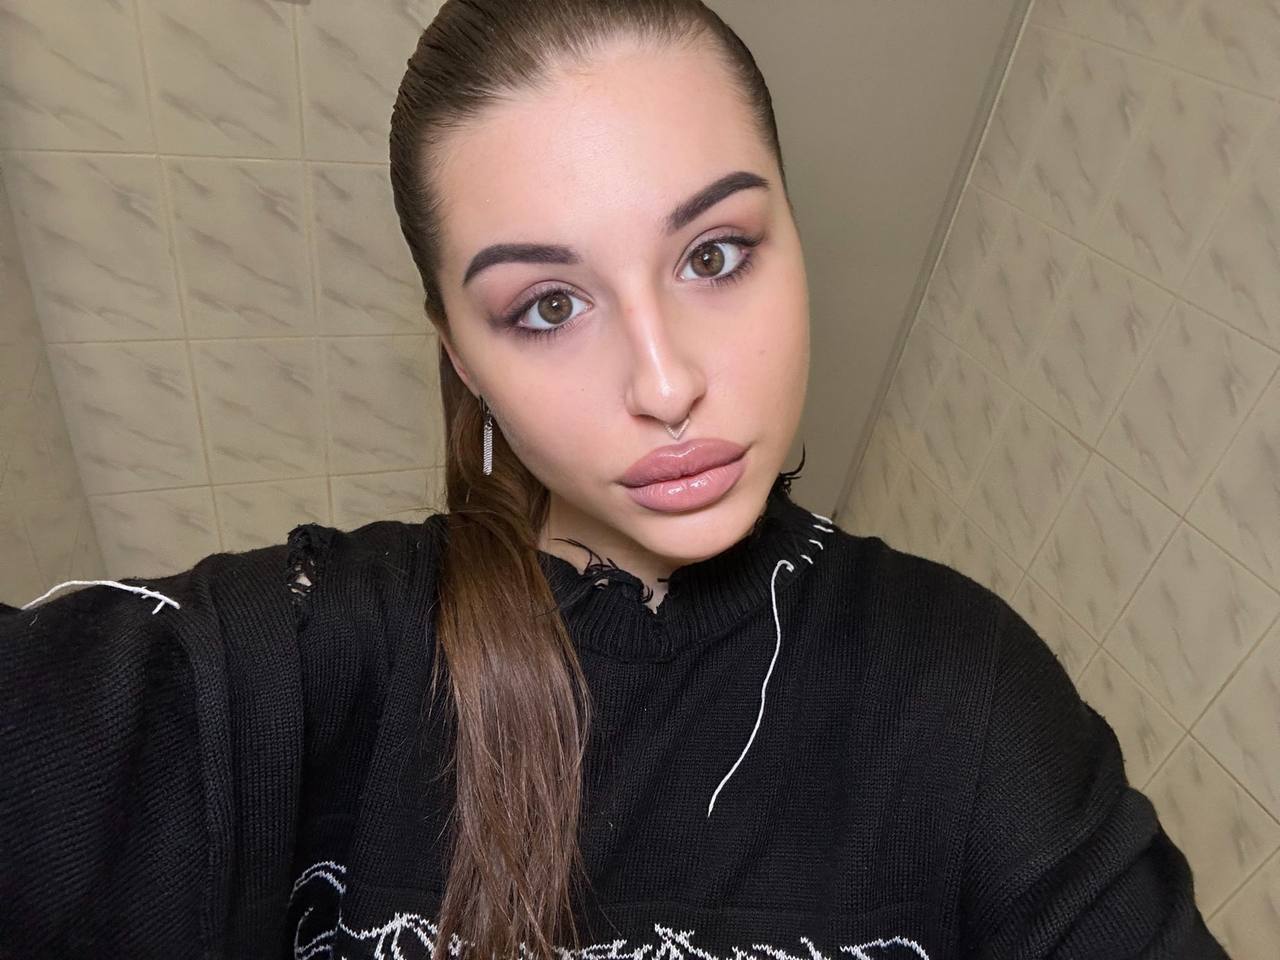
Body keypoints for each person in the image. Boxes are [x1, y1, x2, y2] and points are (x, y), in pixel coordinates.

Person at [0, 1, 1228, 958]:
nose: (665, 381)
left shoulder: (961, 691)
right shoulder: (324, 653)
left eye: (714, 254)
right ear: (460, 357)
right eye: (547, 306)